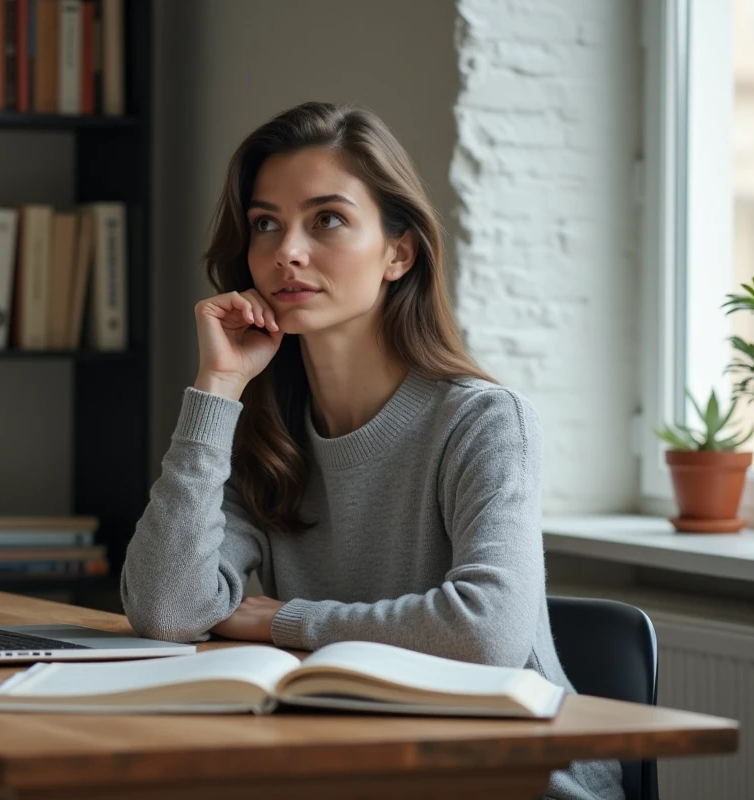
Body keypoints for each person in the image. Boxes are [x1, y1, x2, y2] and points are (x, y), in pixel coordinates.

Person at [119, 101, 624, 800]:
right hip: (353, 761)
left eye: (326, 219)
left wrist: (286, 620)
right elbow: (167, 609)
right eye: (266, 224)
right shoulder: (265, 433)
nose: (285, 251)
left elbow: (486, 636)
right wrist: (216, 390)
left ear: (399, 252)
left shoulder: (483, 421)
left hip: (518, 776)